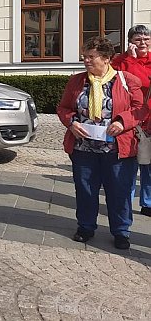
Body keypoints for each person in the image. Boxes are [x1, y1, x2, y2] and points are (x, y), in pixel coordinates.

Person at [57, 36, 145, 250]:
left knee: (120, 192)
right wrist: (71, 123)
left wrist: (123, 122)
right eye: (84, 57)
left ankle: (121, 231)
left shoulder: (127, 81)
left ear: (106, 58)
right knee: (85, 190)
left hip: (117, 149)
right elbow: (64, 108)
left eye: (91, 56)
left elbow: (140, 109)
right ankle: (86, 227)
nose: (86, 61)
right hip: (83, 149)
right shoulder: (77, 81)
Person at [111, 24, 151, 217]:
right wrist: (130, 59)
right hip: (130, 118)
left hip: (149, 118)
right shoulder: (121, 61)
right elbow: (135, 81)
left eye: (146, 39)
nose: (142, 42)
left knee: (149, 164)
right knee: (128, 165)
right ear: (130, 42)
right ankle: (124, 202)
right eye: (138, 39)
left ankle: (148, 203)